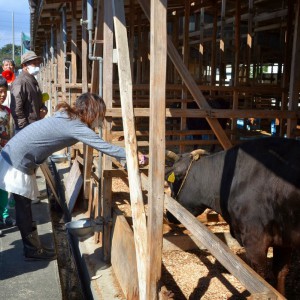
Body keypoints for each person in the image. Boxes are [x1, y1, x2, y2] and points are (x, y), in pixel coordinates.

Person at [0, 92, 146, 260]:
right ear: (92, 112)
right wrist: (132, 155)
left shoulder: (66, 115)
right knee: (23, 207)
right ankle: (32, 250)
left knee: (23, 205)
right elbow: (103, 146)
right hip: (18, 160)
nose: (100, 121)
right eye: (100, 115)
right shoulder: (76, 126)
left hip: (14, 153)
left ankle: (32, 248)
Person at [10, 50, 47, 134]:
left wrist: (44, 108)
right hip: (26, 129)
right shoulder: (20, 82)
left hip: (34, 125)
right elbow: (16, 108)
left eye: (38, 63)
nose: (37, 66)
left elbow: (38, 102)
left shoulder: (32, 80)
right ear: (24, 66)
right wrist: (24, 129)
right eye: (34, 63)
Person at [0, 77, 16, 229]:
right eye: (0, 92)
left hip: (5, 154)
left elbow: (10, 131)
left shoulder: (7, 111)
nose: (2, 95)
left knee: (4, 186)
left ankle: (4, 215)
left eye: (4, 92)